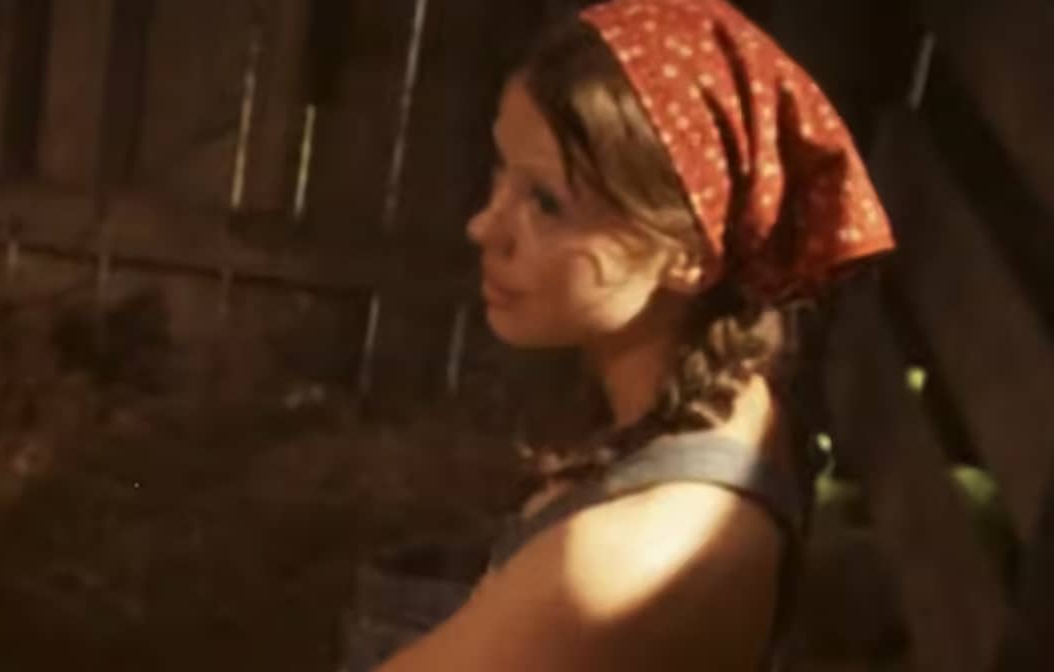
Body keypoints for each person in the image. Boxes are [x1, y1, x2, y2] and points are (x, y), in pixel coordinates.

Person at [376, 1, 896, 670]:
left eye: (546, 203)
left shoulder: (615, 565)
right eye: (500, 172)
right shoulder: (726, 393)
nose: (484, 226)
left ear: (689, 257)